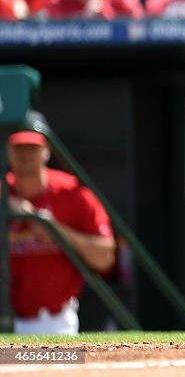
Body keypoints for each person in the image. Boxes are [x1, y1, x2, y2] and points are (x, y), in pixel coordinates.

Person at [6, 114, 115, 334]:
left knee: (58, 361)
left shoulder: (72, 192)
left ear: (46, 150)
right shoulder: (3, 194)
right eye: (19, 147)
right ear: (8, 150)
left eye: (32, 147)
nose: (25, 155)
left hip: (53, 322)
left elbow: (104, 258)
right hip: (5, 318)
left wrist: (52, 229)